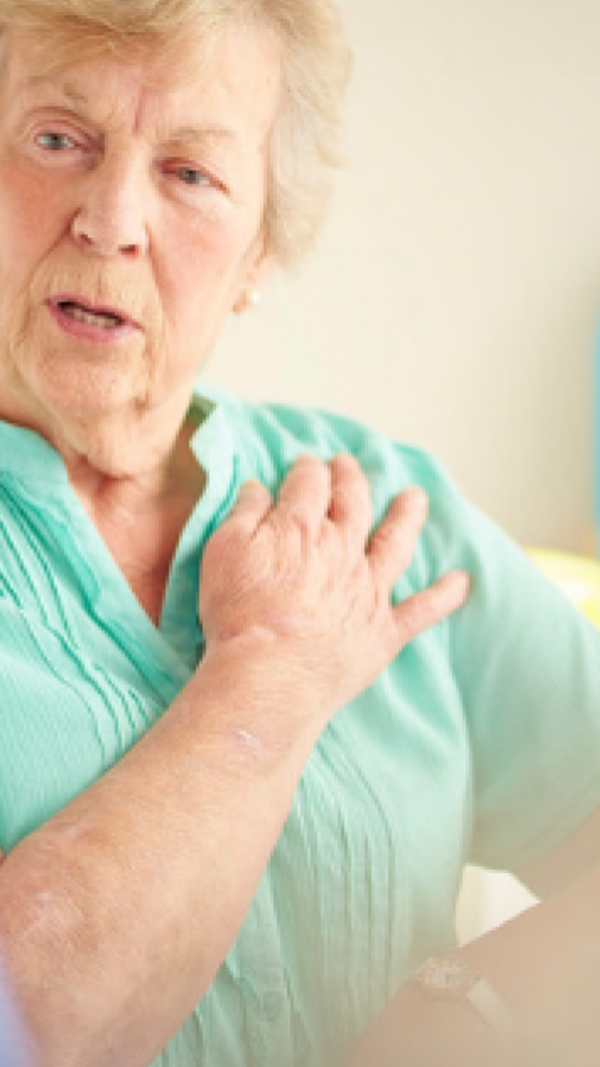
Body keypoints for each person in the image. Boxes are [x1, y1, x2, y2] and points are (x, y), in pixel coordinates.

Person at [0, 2, 597, 1066]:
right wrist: (270, 674)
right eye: (58, 138)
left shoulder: (385, 503)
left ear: (260, 247)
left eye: (191, 172)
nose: (112, 216)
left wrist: (474, 1015)